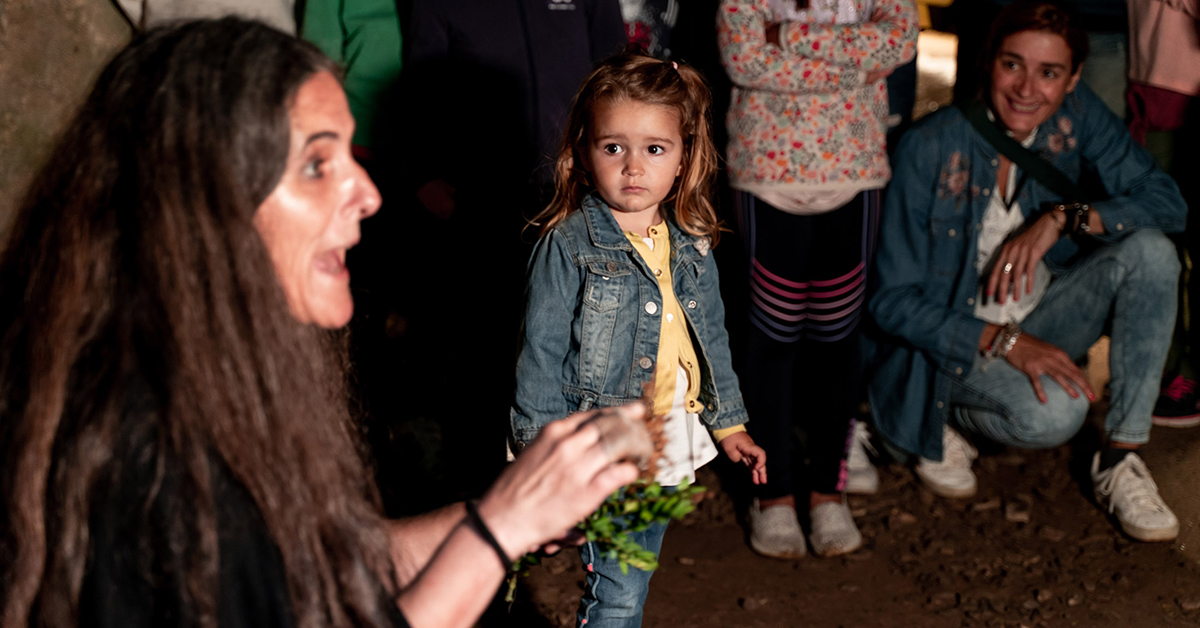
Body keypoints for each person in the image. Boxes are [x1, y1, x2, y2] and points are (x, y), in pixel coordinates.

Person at [0, 19, 653, 628]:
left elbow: (316, 562)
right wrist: (497, 532)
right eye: (316, 165)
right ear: (206, 206)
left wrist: (507, 512)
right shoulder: (140, 446)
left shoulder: (217, 374)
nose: (367, 194)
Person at [869, 1, 1185, 543]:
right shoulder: (930, 146)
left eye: (1049, 73)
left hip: (1042, 310)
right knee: (1055, 417)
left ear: (1073, 79)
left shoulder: (1077, 115)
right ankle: (935, 416)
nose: (1027, 89)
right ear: (988, 61)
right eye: (1012, 64)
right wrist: (1006, 342)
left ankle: (1121, 459)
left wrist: (1066, 217)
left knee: (1153, 252)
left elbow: (1168, 203)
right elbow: (890, 302)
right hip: (954, 341)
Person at [512, 52, 768, 628]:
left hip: (667, 442)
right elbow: (540, 357)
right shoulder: (568, 245)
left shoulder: (692, 242)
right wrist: (540, 460)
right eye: (613, 147)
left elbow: (711, 341)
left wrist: (730, 425)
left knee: (634, 573)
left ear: (683, 159)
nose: (633, 167)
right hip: (602, 444)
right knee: (620, 591)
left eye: (655, 148)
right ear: (584, 152)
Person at [717, 0, 919, 559]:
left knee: (836, 343)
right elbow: (744, 62)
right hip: (766, 177)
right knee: (771, 342)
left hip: (853, 176)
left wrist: (786, 35)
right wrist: (854, 66)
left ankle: (828, 492)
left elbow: (897, 44)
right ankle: (773, 494)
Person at [1125, 0, 1200, 427]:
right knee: (1159, 234)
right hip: (1147, 78)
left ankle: (1188, 373)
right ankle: (1166, 368)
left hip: (1188, 89)